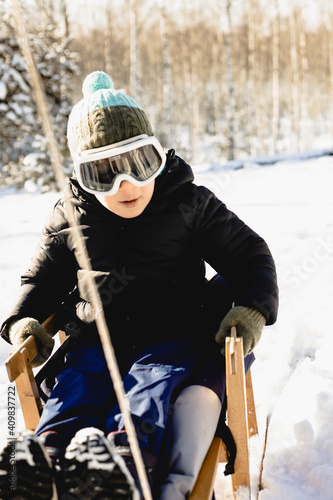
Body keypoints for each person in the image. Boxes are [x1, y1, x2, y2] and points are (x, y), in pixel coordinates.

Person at [0, 71, 278, 500]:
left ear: (158, 157)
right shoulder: (70, 217)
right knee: (75, 389)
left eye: (137, 163)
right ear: (82, 177)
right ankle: (41, 463)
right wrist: (25, 321)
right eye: (102, 173)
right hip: (95, 339)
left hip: (172, 336)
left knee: (148, 389)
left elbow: (250, 256)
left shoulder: (188, 204)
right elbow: (41, 279)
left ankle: (126, 466)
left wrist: (252, 310)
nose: (124, 185)